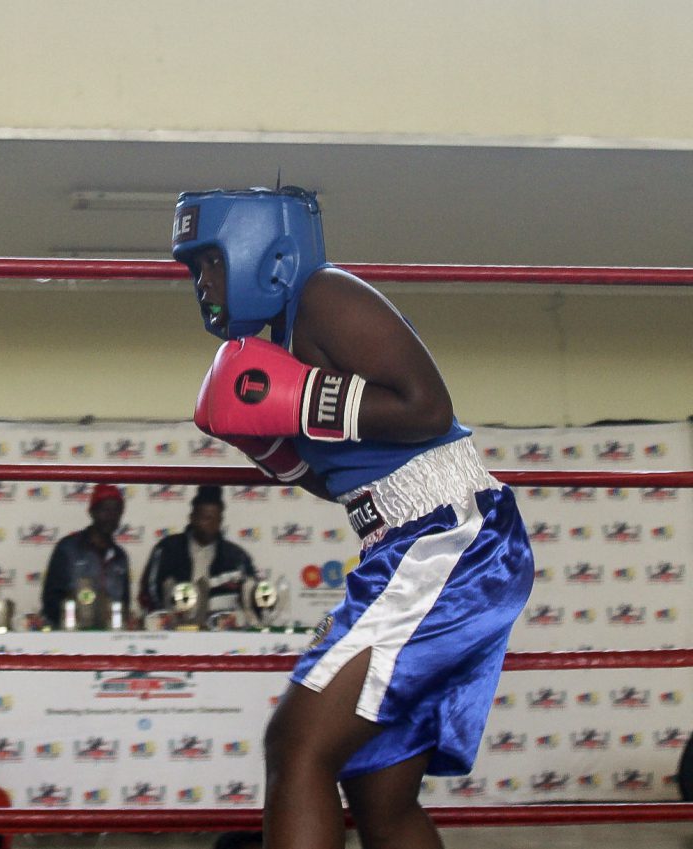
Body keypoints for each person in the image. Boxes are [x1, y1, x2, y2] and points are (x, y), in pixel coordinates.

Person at [174, 187, 534, 849]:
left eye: (209, 261)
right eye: (190, 268)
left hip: (449, 540)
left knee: (297, 745)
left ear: (265, 253)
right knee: (379, 792)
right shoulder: (273, 343)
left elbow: (426, 408)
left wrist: (297, 396)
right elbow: (344, 480)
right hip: (409, 543)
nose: (199, 281)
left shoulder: (325, 296)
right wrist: (269, 446)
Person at [136, 484, 257, 619]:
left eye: (215, 519)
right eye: (205, 518)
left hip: (221, 629)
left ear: (221, 520)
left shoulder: (236, 557)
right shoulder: (167, 549)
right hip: (173, 628)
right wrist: (162, 618)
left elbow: (251, 596)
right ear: (192, 517)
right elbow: (149, 591)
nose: (210, 524)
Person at [38, 483, 131, 629]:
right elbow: (51, 598)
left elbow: (124, 603)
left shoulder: (120, 557)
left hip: (111, 638)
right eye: (105, 510)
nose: (111, 517)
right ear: (92, 512)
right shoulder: (68, 549)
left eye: (116, 511)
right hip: (71, 636)